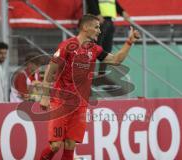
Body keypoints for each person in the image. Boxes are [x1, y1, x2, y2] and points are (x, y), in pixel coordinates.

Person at [39, 14, 140, 160]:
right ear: (86, 27)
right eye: (97, 27)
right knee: (55, 145)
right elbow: (51, 68)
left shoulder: (95, 50)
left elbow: (116, 60)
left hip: (80, 105)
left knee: (70, 145)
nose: (99, 31)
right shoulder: (68, 45)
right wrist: (44, 96)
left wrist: (129, 42)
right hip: (61, 103)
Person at [86, 0, 130, 74]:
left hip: (109, 21)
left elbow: (113, 3)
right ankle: (88, 72)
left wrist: (122, 12)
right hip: (98, 21)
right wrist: (96, 13)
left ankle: (101, 74)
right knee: (95, 49)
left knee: (107, 50)